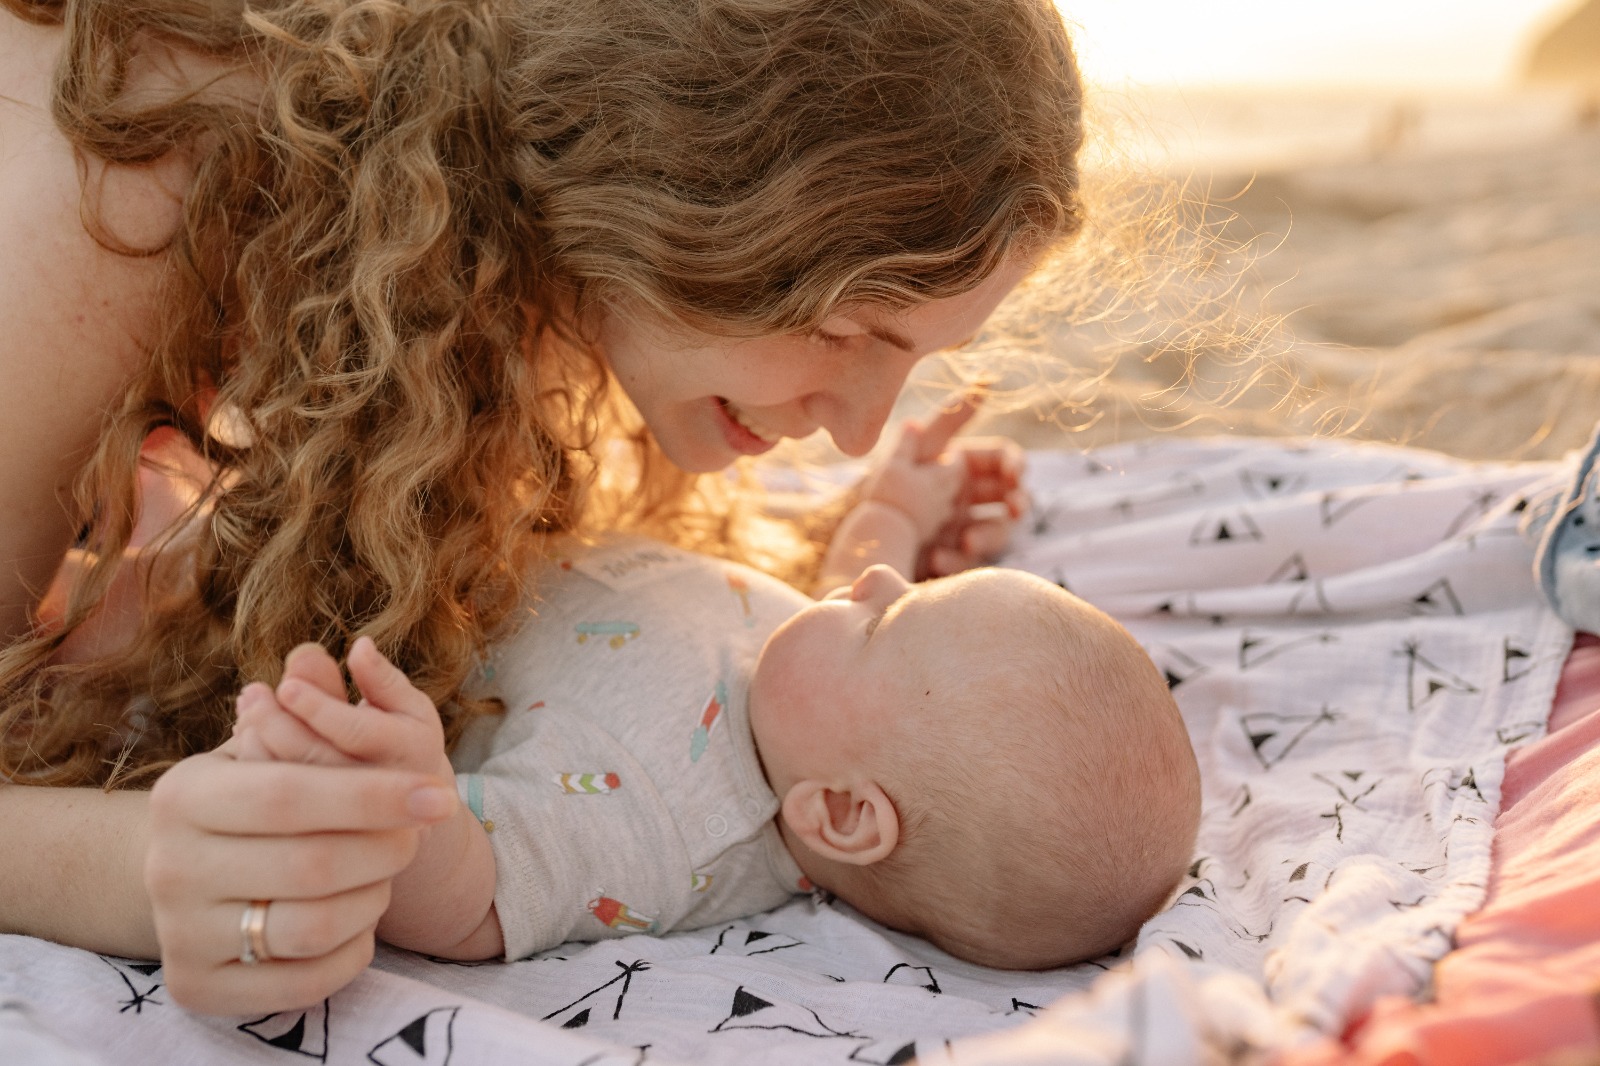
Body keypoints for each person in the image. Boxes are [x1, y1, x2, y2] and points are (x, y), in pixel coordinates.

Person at [0, 0, 1084, 1014]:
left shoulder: (471, 233)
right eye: (846, 331)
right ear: (679, 185)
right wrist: (139, 867)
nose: (859, 430)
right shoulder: (131, 173)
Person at [230, 409, 1201, 972]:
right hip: (426, 529)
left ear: (844, 813)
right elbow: (859, 567)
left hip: (334, 615)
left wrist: (403, 800)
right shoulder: (815, 697)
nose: (873, 584)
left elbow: (480, 902)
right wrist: (898, 506)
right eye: (918, 588)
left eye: (889, 618)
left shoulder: (663, 822)